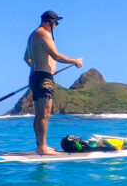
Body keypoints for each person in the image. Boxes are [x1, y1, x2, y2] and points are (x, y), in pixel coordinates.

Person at [24, 10, 83, 155]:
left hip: (34, 77)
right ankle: (43, 147)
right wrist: (75, 61)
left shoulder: (32, 35)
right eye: (56, 23)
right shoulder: (44, 33)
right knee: (45, 114)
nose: (56, 26)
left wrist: (42, 67)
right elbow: (56, 56)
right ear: (50, 22)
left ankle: (40, 146)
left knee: (39, 114)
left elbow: (27, 59)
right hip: (44, 79)